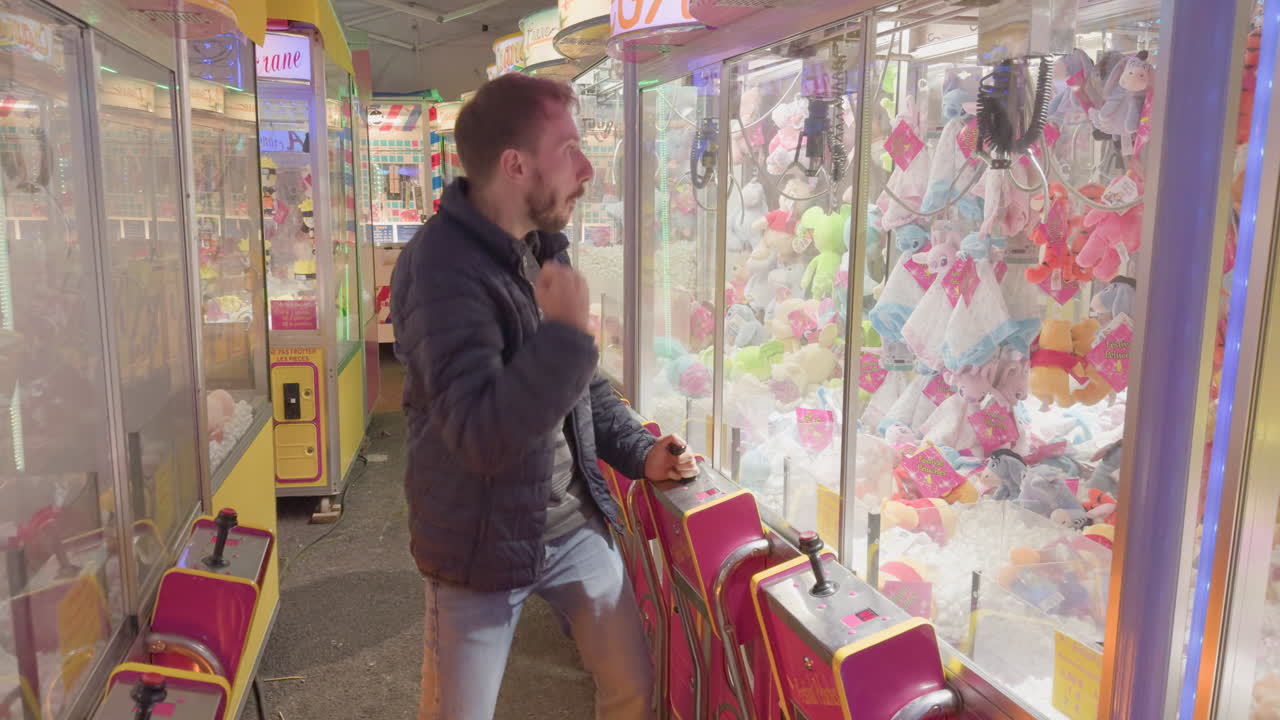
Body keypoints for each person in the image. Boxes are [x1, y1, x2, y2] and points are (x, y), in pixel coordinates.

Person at [390, 73, 698, 720]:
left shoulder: (539, 247)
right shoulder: (437, 269)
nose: (588, 168)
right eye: (570, 149)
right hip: (475, 545)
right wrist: (563, 335)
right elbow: (481, 435)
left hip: (571, 527)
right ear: (515, 164)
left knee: (632, 691)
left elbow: (581, 393)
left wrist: (642, 451)